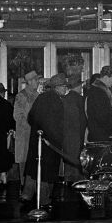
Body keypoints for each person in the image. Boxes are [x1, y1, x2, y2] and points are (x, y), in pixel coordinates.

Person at [23, 73, 70, 207]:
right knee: (45, 171)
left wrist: (38, 131)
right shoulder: (56, 100)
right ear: (57, 87)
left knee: (33, 168)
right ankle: (44, 200)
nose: (65, 89)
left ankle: (26, 195)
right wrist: (57, 139)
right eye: (63, 86)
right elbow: (54, 124)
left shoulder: (41, 97)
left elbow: (31, 117)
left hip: (37, 139)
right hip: (49, 142)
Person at [13, 70, 41, 183]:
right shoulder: (21, 96)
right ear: (29, 82)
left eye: (38, 79)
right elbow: (17, 116)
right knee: (24, 160)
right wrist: (30, 127)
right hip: (24, 136)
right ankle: (24, 186)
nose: (38, 82)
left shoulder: (37, 95)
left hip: (35, 134)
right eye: (36, 80)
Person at [60, 79, 87, 182]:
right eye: (81, 85)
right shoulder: (80, 99)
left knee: (68, 154)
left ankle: (67, 177)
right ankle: (76, 179)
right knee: (77, 155)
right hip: (78, 132)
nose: (81, 88)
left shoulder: (63, 99)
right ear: (77, 86)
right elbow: (83, 118)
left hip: (66, 132)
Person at [84, 66, 112, 141]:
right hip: (102, 136)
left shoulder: (98, 90)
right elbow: (101, 116)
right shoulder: (98, 92)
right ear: (105, 77)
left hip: (100, 134)